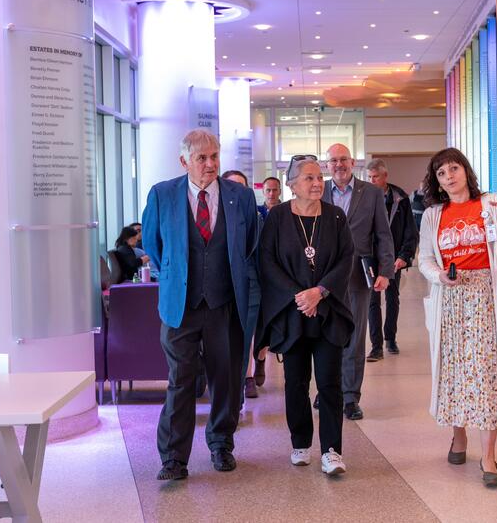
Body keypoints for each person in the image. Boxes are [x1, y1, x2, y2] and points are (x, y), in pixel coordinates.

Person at [142, 128, 259, 481]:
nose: (210, 164)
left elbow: (250, 245)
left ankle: (221, 444)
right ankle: (174, 458)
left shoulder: (240, 196)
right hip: (181, 306)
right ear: (184, 161)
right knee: (181, 380)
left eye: (214, 157)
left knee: (226, 378)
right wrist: (179, 278)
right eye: (201, 158)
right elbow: (154, 245)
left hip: (226, 303)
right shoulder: (163, 195)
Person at [417, 147, 497, 488]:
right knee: (453, 371)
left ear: (466, 171)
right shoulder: (433, 215)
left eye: (454, 168)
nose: (449, 176)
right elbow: (424, 259)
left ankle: (489, 455)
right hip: (450, 299)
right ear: (436, 182)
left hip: (484, 297)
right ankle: (458, 436)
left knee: (484, 372)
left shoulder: (489, 204)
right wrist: (440, 276)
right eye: (441, 173)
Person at [256, 157, 355, 475]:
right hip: (292, 313)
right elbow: (267, 261)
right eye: (309, 178)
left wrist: (320, 291)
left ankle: (331, 451)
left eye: (319, 177)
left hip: (327, 311)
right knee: (295, 384)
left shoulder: (336, 217)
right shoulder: (277, 218)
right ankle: (300, 443)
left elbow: (345, 258)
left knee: (329, 383)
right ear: (292, 184)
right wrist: (298, 295)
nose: (317, 183)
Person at [321, 143, 394, 421]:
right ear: (327, 165)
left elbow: (383, 235)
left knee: (354, 337)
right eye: (333, 161)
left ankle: (350, 397)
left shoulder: (372, 193)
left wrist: (385, 271)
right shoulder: (318, 191)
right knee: (324, 336)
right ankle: (328, 391)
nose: (338, 164)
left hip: (357, 276)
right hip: (323, 277)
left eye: (343, 159)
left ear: (353, 162)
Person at [365, 159, 419, 360]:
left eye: (375, 177)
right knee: (372, 301)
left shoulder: (400, 199)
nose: (371, 181)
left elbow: (409, 231)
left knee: (391, 298)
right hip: (370, 258)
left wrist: (404, 256)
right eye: (369, 177)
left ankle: (390, 339)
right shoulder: (364, 198)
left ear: (385, 176)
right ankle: (376, 345)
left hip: (392, 257)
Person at [221, 169, 262, 401]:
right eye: (232, 186)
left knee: (241, 346)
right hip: (217, 288)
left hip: (249, 288)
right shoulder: (213, 215)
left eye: (242, 187)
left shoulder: (257, 219)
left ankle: (233, 404)